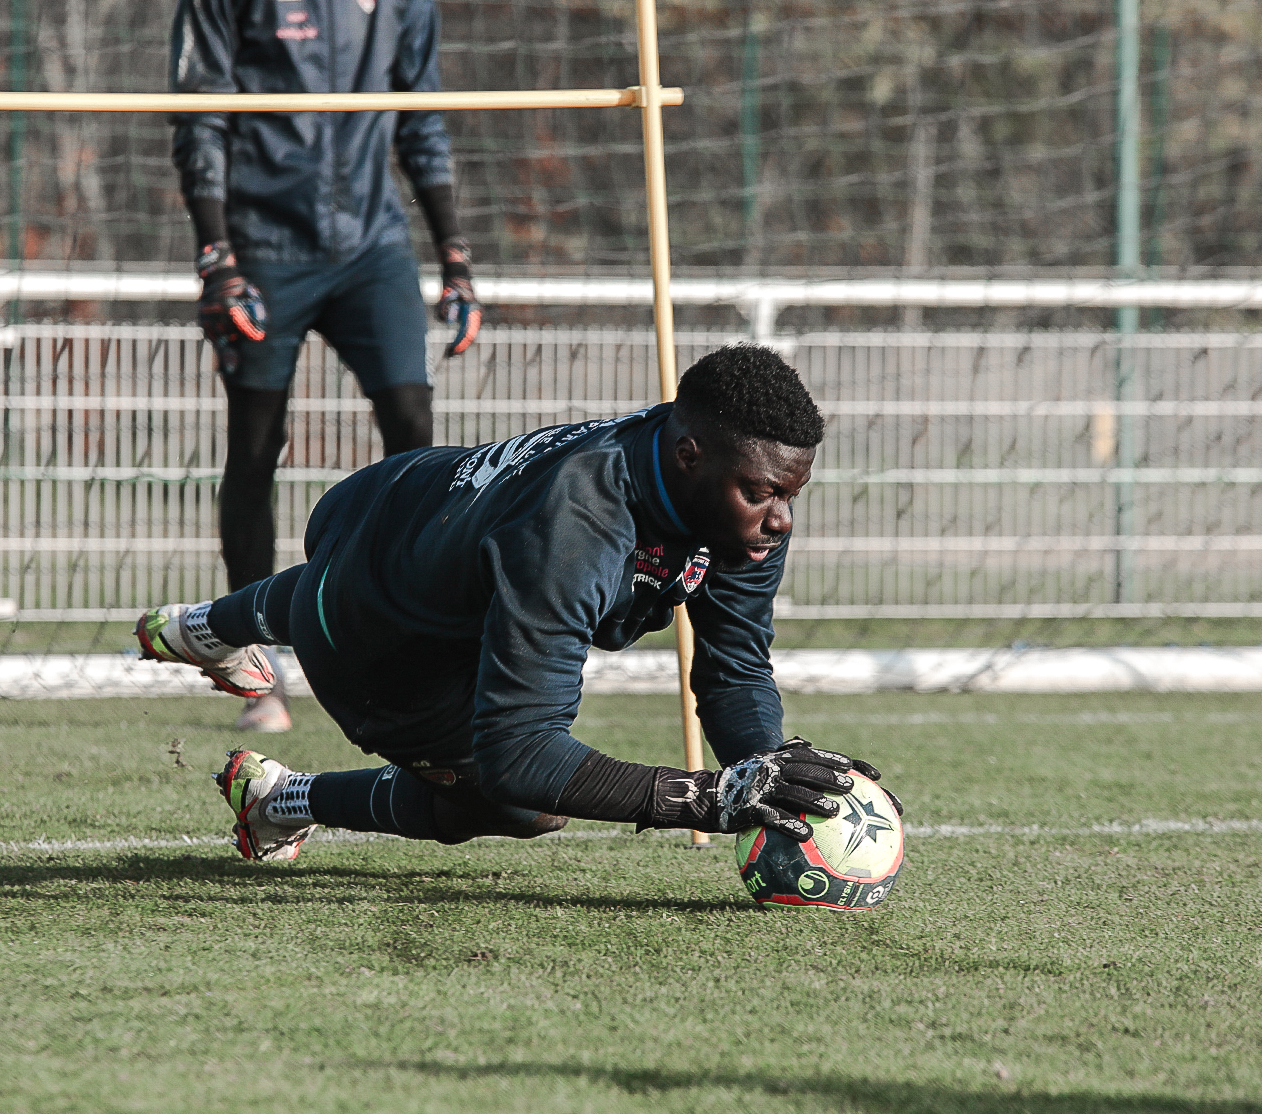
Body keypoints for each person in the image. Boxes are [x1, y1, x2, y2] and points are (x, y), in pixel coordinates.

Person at [134, 344, 892, 859]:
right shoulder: (579, 526)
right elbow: (522, 754)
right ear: (689, 455)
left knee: (405, 586)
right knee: (522, 806)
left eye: (792, 494)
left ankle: (204, 627)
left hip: (405, 506)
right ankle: (281, 799)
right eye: (763, 493)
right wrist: (708, 798)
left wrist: (766, 763)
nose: (782, 517)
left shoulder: (735, 497)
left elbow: (731, 671)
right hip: (375, 643)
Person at [168, 0, 482, 733]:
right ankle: (255, 669)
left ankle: (417, 644)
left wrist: (453, 254)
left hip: (374, 245)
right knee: (255, 446)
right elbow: (201, 112)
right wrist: (217, 254)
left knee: (418, 437)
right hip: (265, 248)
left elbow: (419, 116)